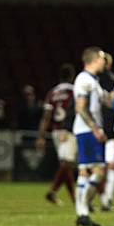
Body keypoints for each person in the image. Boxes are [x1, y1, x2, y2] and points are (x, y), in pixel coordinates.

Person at [72, 47, 108, 226]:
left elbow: (107, 101)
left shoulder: (94, 81)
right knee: (99, 170)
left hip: (86, 130)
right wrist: (95, 128)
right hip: (87, 131)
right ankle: (83, 209)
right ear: (94, 59)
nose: (105, 61)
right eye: (102, 58)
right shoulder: (84, 79)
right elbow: (80, 107)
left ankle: (82, 214)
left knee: (85, 171)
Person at [36, 64, 77, 206]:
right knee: (67, 164)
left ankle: (74, 199)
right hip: (68, 130)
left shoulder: (52, 93)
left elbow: (46, 116)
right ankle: (52, 191)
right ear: (72, 77)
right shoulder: (74, 91)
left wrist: (41, 135)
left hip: (55, 131)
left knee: (66, 165)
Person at [98, 52, 114, 211]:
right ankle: (104, 198)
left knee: (107, 166)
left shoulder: (109, 81)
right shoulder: (111, 81)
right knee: (106, 166)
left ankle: (105, 199)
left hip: (106, 130)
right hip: (105, 129)